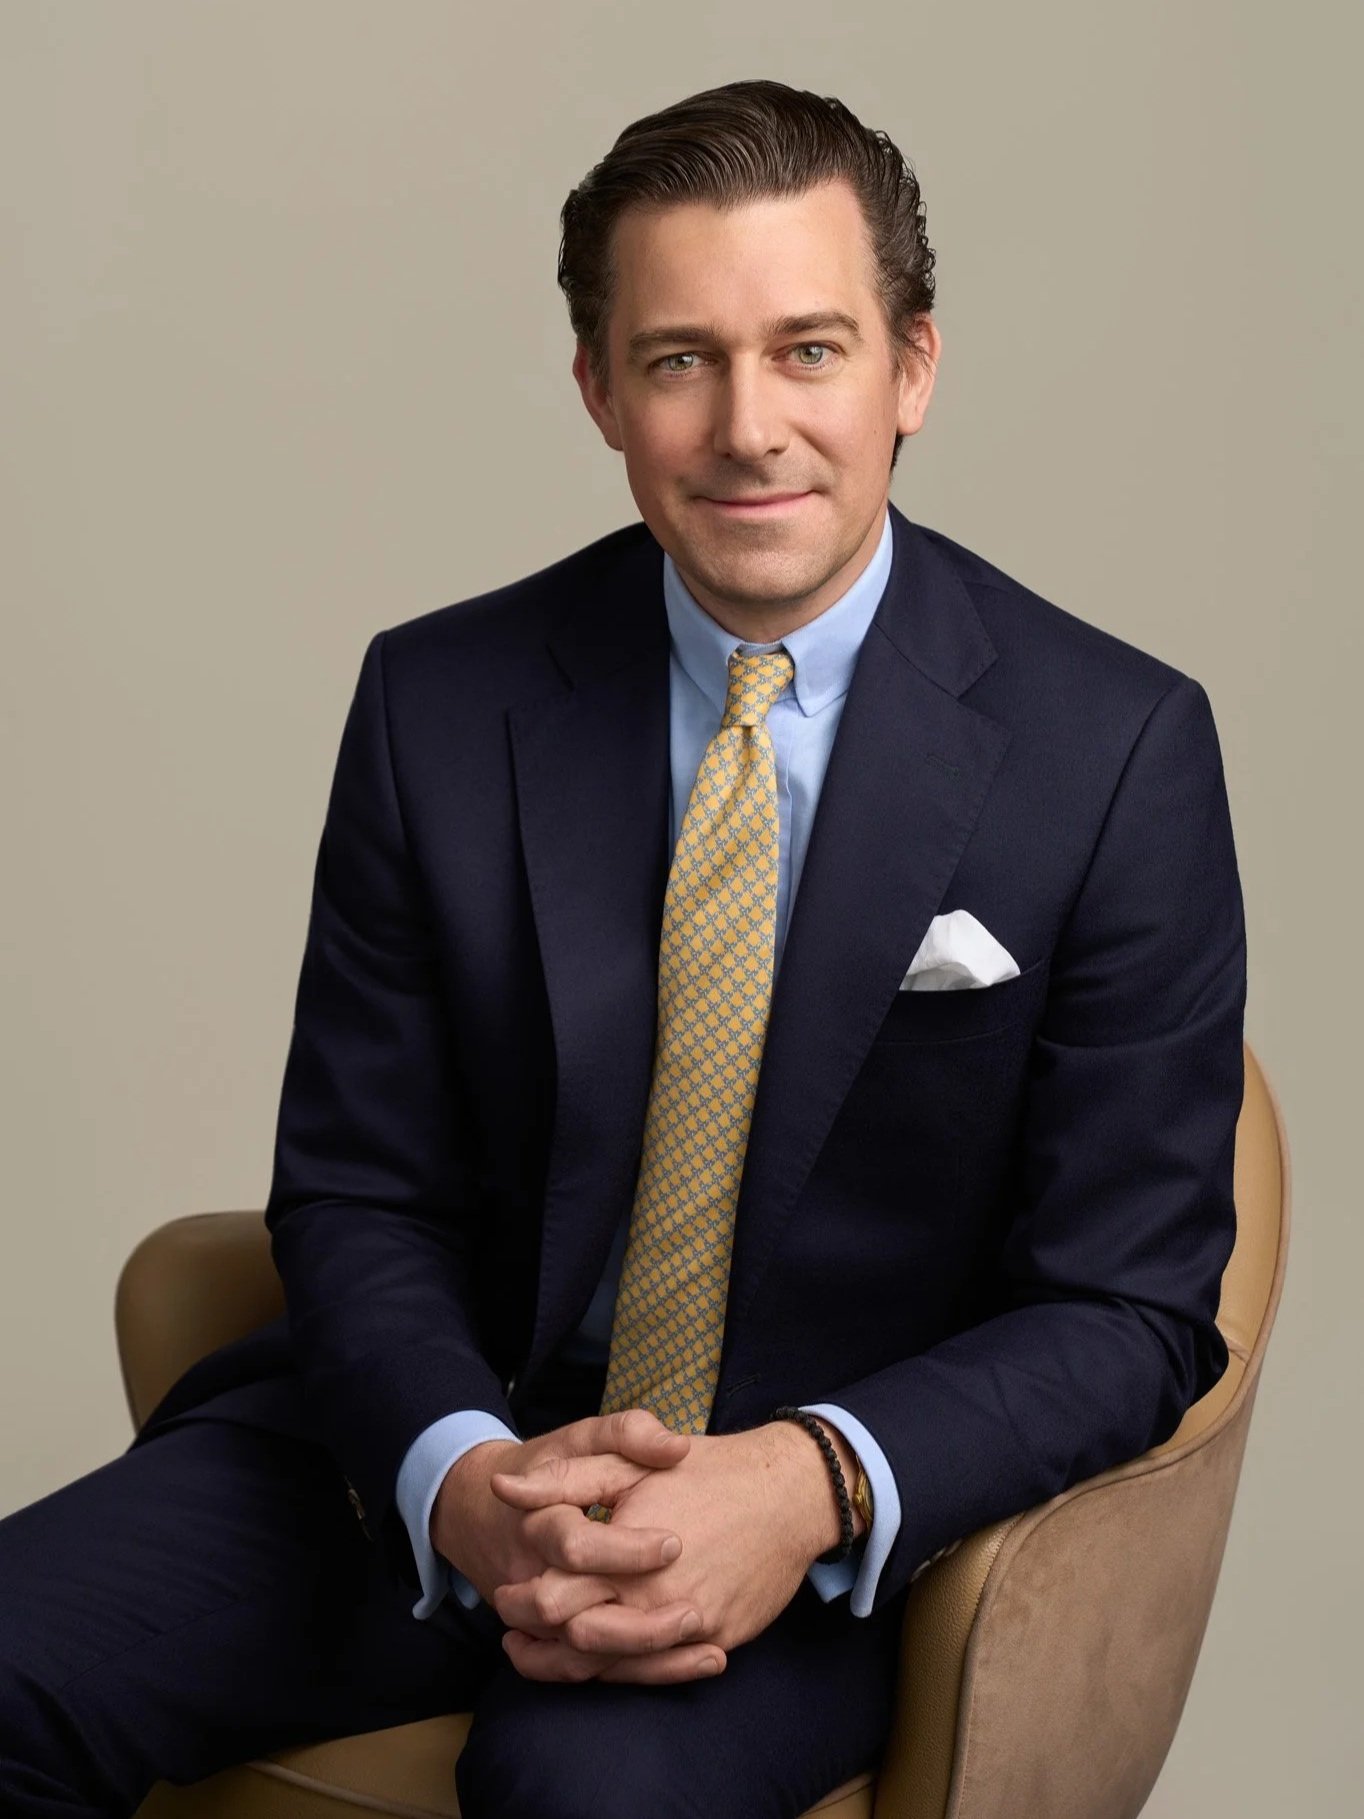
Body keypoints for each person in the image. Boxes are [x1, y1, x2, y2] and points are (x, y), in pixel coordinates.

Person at [0, 77, 1246, 1818]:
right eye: (680, 360)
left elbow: (1130, 1304)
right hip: (424, 1459)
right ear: (598, 389)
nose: (750, 429)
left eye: (809, 349)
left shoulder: (1111, 752)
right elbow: (359, 1191)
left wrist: (805, 1482)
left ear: (914, 368)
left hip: (812, 1532)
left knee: (588, 1798)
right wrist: (462, 1477)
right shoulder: (439, 703)